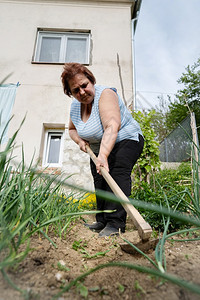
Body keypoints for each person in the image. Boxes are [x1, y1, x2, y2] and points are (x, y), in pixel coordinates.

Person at [61, 63, 144, 237]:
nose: (82, 92)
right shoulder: (76, 107)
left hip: (125, 139)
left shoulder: (105, 94)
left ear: (91, 81)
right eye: (76, 90)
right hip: (98, 147)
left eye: (84, 85)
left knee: (117, 172)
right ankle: (102, 221)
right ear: (70, 93)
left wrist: (104, 155)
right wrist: (79, 141)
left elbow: (112, 126)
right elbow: (71, 129)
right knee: (99, 180)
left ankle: (116, 224)